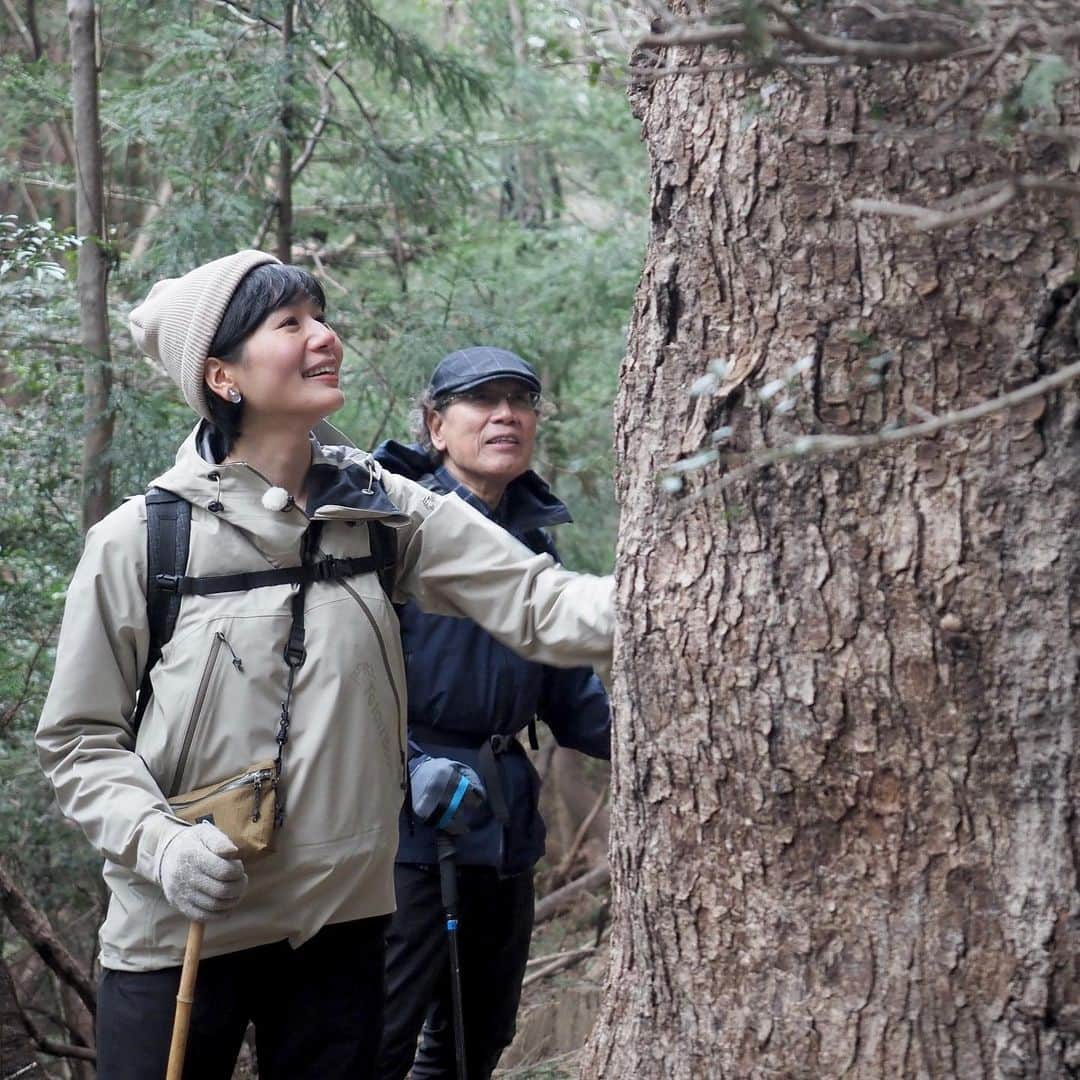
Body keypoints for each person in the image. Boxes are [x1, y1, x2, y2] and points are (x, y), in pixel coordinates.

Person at [35, 252, 613, 1080]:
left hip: (341, 930)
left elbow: (540, 603)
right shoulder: (141, 540)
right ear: (222, 375)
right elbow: (78, 743)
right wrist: (159, 846)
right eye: (291, 324)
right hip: (182, 924)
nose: (325, 337)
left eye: (321, 316)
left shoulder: (380, 510)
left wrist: (681, 600)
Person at [373, 347, 611, 1080]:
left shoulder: (532, 539)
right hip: (404, 829)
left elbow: (573, 699)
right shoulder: (390, 529)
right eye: (483, 401)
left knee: (479, 1034)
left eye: (521, 399)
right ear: (437, 427)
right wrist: (410, 767)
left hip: (504, 822)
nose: (506, 414)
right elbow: (335, 681)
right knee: (380, 1033)